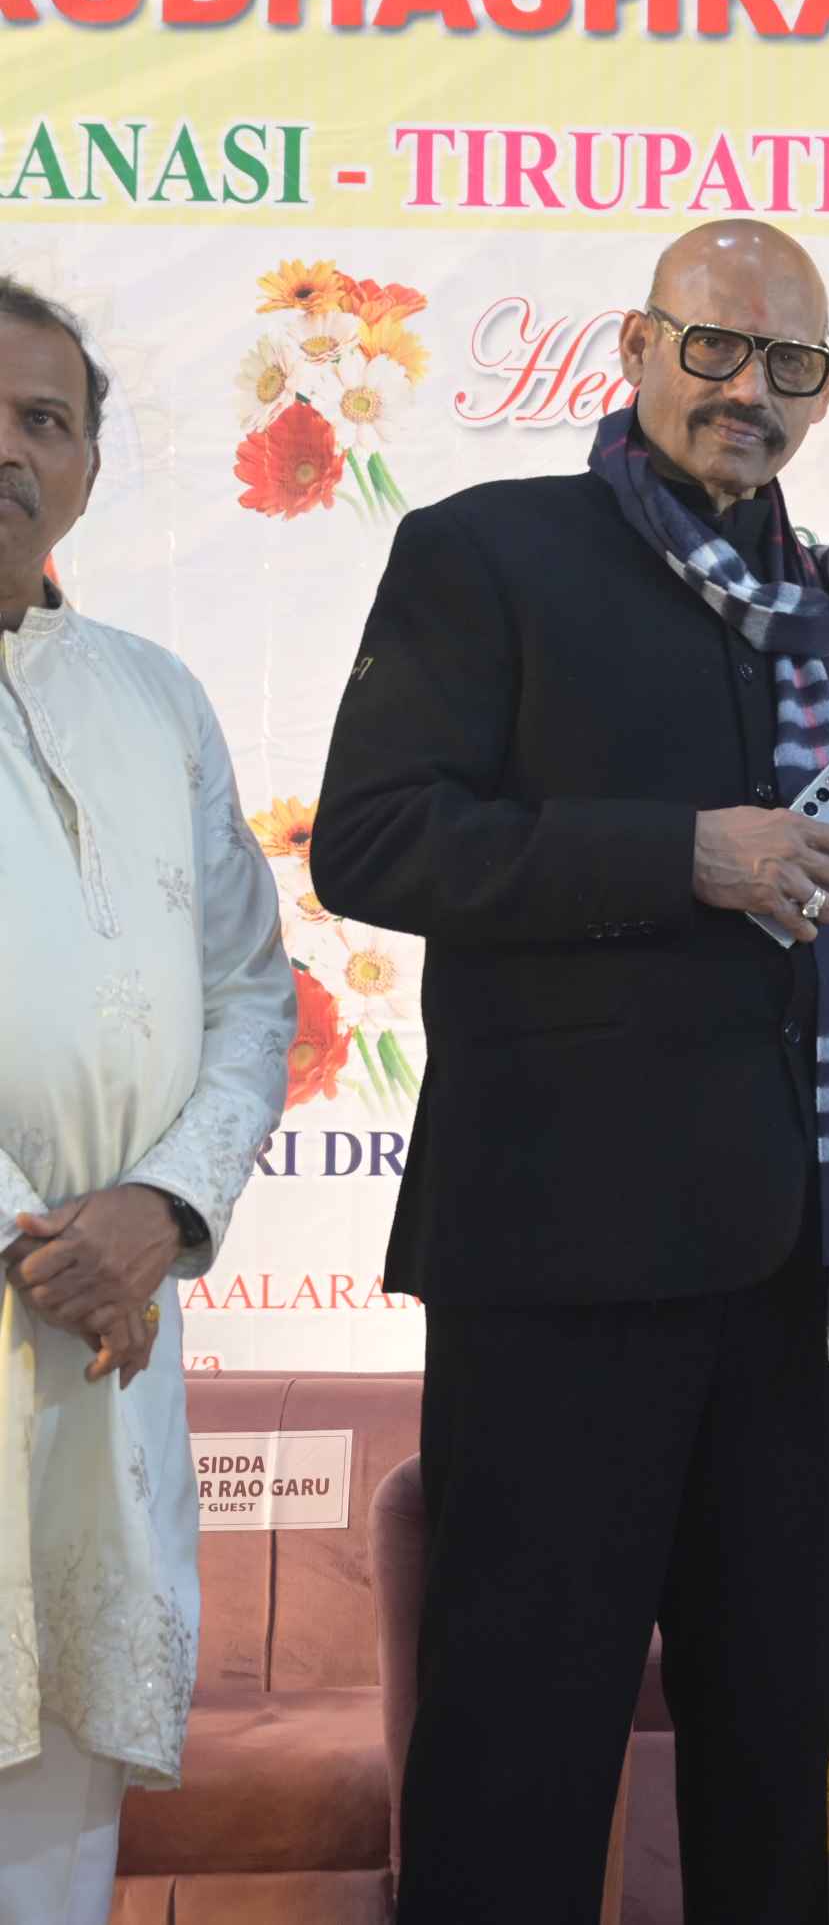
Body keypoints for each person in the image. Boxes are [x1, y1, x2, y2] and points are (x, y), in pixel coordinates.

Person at [312, 220, 829, 1925]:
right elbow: (374, 840)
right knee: (518, 1741)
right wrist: (678, 854)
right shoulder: (490, 553)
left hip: (800, 1275)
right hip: (561, 1259)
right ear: (635, 348)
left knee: (770, 1743)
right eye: (714, 346)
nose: (746, 390)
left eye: (791, 365)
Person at [0, 278, 295, 1922]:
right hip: (54, 1291)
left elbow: (253, 989)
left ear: (91, 470)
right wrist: (39, 1240)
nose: (8, 448)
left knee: (56, 1845)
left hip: (108, 1354)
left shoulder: (156, 695)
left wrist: (160, 1212)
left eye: (42, 420)